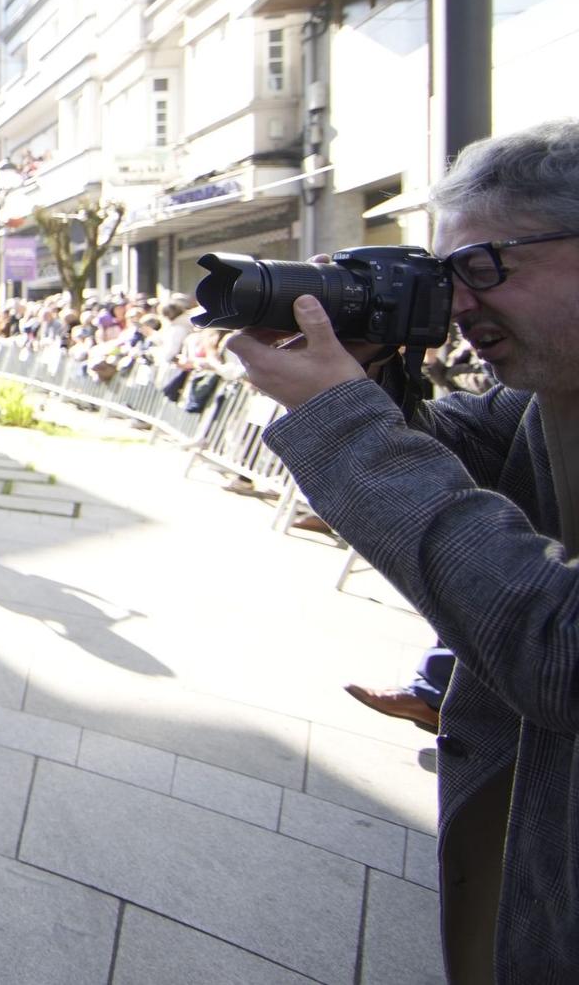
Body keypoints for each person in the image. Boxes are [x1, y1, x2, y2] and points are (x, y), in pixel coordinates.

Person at [232, 118, 579, 980]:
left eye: (487, 269)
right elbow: (450, 453)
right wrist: (371, 379)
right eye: (448, 275)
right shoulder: (551, 397)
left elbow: (560, 650)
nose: (461, 306)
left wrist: (345, 424)